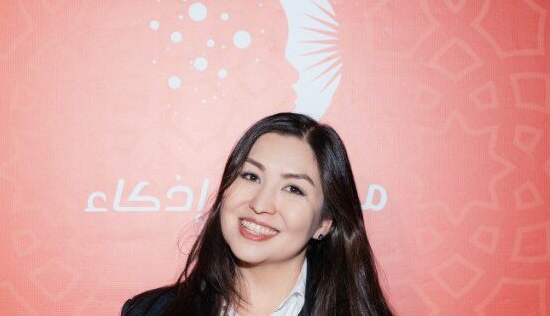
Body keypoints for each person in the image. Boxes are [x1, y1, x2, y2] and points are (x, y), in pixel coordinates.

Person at [120, 112, 396, 315]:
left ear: (324, 223)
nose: (261, 204)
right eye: (251, 176)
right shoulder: (148, 312)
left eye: (293, 189)